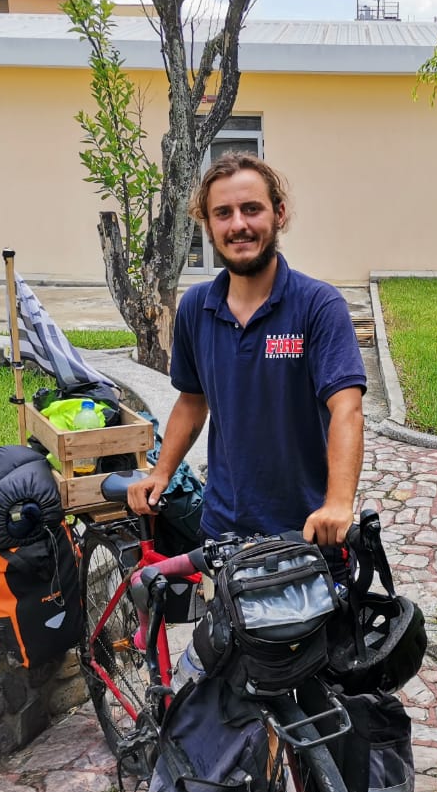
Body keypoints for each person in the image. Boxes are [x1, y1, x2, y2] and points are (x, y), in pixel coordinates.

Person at [127, 152, 366, 546]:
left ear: (279, 214)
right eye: (223, 213)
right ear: (208, 225)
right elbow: (192, 401)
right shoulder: (195, 308)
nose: (238, 224)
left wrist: (339, 503)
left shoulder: (318, 305)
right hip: (222, 528)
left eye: (251, 209)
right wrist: (161, 472)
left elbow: (347, 408)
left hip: (307, 531)